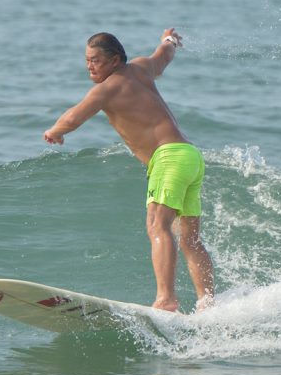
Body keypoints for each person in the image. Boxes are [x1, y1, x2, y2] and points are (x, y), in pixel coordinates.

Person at [43, 28, 214, 312]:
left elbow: (74, 116)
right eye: (87, 60)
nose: (89, 66)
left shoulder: (108, 89)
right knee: (190, 239)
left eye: (95, 60)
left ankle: (166, 300)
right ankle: (208, 303)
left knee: (157, 226)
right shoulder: (141, 68)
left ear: (113, 60)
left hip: (168, 158)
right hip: (190, 156)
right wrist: (169, 40)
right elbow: (164, 57)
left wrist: (55, 131)